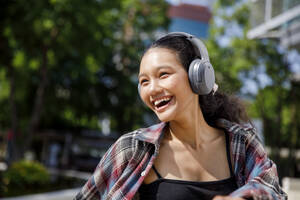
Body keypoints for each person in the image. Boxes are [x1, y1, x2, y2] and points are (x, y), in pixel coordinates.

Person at [75, 32, 287, 200]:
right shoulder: (132, 149)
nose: (152, 89)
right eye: (144, 81)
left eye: (163, 75)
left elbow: (272, 190)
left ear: (198, 77)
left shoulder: (242, 143)